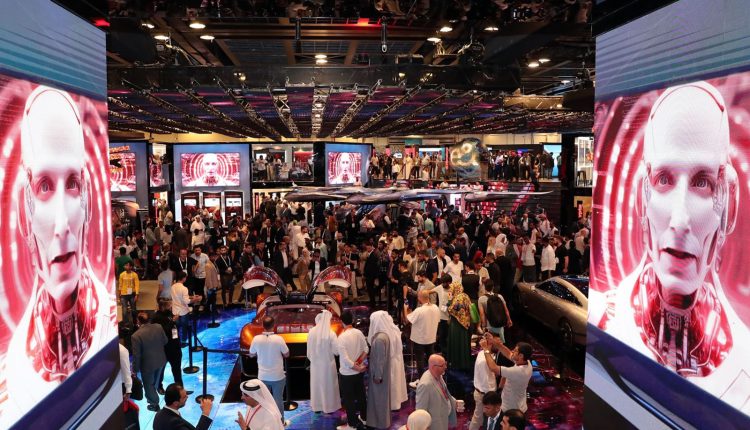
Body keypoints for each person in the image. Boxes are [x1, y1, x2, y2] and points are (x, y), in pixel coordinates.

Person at [593, 81, 750, 408]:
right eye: (664, 179)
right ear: (642, 196)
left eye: (702, 182)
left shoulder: (743, 373)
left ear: (728, 204)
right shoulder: (603, 323)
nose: (680, 219)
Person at [1, 86, 117, 425]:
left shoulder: (109, 326)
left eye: (73, 184)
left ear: (87, 201)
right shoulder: (12, 374)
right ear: (25, 211)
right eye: (45, 187)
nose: (63, 224)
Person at [248, 316, 290, 424]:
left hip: (263, 376)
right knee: (278, 400)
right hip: (278, 376)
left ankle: (266, 423)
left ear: (263, 325)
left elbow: (251, 354)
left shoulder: (256, 339)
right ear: (273, 325)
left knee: (264, 401)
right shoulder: (279, 339)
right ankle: (280, 422)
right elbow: (287, 354)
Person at [479, 335, 533, 414]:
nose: (512, 351)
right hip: (519, 405)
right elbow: (508, 354)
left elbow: (493, 368)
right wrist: (493, 341)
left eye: (515, 351)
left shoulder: (518, 371)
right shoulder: (526, 362)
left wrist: (486, 350)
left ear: (521, 356)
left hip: (511, 409)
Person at [336, 310, 368, 430]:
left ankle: (352, 425)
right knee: (361, 396)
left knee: (349, 400)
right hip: (358, 373)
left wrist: (357, 367)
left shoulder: (341, 337)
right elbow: (366, 349)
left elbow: (345, 360)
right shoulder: (359, 333)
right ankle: (364, 418)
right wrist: (359, 364)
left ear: (341, 322)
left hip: (347, 374)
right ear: (352, 320)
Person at [306, 310, 341, 414]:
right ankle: (329, 407)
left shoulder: (311, 332)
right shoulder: (331, 333)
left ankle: (317, 406)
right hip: (328, 366)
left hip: (315, 365)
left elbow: (308, 352)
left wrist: (314, 360)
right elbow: (336, 351)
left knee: (317, 385)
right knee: (328, 386)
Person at [131, 312, 168, 412]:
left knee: (148, 385)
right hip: (161, 360)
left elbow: (137, 355)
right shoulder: (158, 327)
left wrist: (135, 369)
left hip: (147, 365)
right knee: (155, 382)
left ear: (138, 321)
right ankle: (154, 396)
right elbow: (165, 341)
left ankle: (154, 404)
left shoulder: (136, 336)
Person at [404, 291, 441, 385]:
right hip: (431, 338)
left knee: (420, 361)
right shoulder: (436, 307)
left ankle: (421, 381)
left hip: (419, 340)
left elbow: (407, 320)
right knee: (431, 359)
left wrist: (405, 309)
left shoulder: (419, 310)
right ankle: (434, 378)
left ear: (419, 298)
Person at [415, 354, 457, 430]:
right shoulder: (425, 384)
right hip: (434, 425)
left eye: (445, 364)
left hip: (443, 420)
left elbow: (443, 394)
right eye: (442, 365)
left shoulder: (439, 375)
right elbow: (420, 411)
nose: (445, 367)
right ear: (433, 367)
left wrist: (453, 401)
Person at [152, 300, 185, 394]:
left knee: (177, 370)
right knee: (161, 369)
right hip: (164, 348)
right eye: (169, 305)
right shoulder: (157, 317)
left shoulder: (169, 313)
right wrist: (173, 321)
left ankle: (180, 388)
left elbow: (174, 327)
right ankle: (159, 386)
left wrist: (175, 321)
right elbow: (163, 331)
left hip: (175, 346)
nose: (171, 306)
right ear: (163, 307)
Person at [366, 312, 392, 429]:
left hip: (379, 375)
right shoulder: (384, 336)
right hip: (383, 374)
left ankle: (379, 423)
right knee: (382, 399)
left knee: (378, 400)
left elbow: (379, 360)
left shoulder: (379, 339)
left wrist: (378, 376)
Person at [445, 281, 473, 371]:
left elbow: (452, 309)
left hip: (457, 324)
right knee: (463, 343)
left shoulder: (458, 298)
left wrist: (449, 302)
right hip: (465, 323)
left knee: (457, 343)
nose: (450, 290)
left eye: (451, 288)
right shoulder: (465, 295)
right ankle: (464, 362)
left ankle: (457, 363)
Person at [171, 271, 201, 345]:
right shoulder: (184, 288)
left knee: (175, 328)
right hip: (183, 311)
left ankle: (175, 341)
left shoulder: (172, 287)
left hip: (175, 311)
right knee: (184, 327)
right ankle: (183, 342)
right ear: (183, 278)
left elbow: (179, 296)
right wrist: (196, 299)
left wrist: (192, 297)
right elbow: (187, 301)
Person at [119, 261, 140, 325]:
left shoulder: (134, 275)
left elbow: (137, 285)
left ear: (131, 267)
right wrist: (119, 294)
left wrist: (137, 294)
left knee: (133, 309)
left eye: (127, 265)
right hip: (123, 294)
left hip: (132, 294)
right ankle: (126, 323)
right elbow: (120, 285)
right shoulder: (122, 274)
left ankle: (135, 322)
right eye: (125, 265)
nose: (125, 266)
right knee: (124, 310)